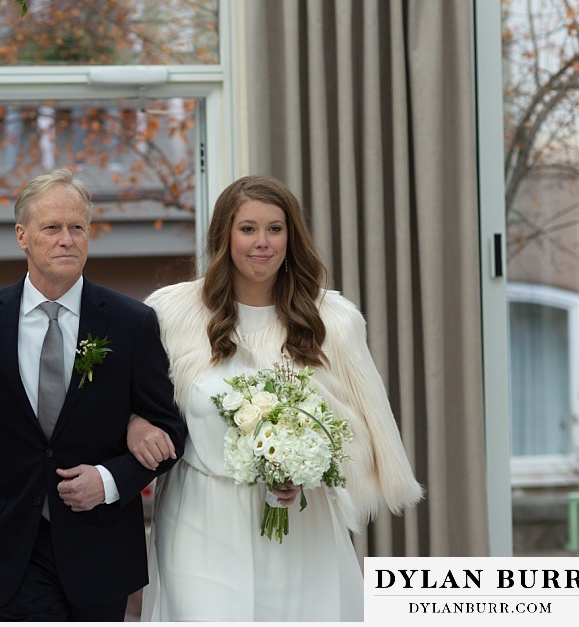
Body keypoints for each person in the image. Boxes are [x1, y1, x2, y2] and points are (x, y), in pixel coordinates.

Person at [127, 175, 424, 621]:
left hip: (299, 523)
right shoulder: (170, 313)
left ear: (291, 237)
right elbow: (134, 400)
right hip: (200, 517)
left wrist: (311, 469)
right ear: (224, 235)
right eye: (247, 229)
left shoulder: (334, 320)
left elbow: (366, 429)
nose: (261, 243)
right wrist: (135, 422)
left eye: (274, 228)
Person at [0, 168, 187, 621]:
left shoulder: (131, 323)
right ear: (22, 235)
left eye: (77, 227)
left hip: (102, 545)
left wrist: (109, 481)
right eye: (52, 227)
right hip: (13, 543)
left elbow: (170, 432)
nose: (66, 239)